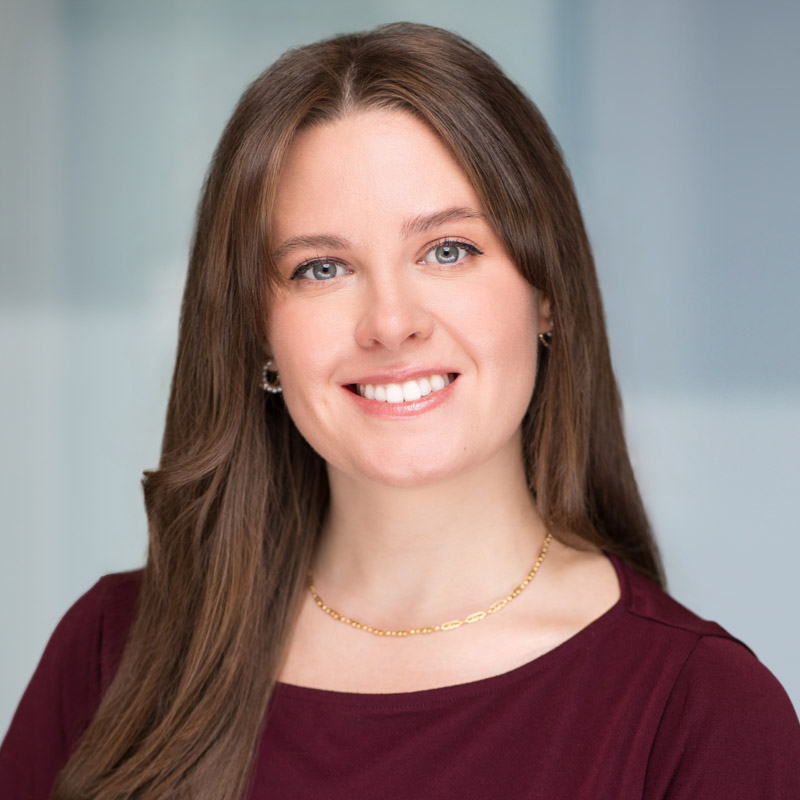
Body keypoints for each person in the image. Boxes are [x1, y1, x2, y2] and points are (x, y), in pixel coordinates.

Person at [1, 21, 798, 800]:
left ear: (546, 292)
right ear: (257, 333)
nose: (390, 322)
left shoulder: (700, 711)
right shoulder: (114, 651)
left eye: (447, 251)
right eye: (321, 267)